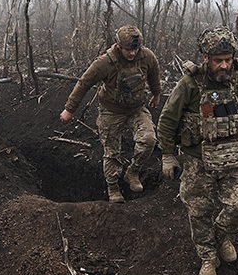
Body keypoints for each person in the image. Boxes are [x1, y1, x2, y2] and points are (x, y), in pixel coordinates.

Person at [156, 27, 238, 275]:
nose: (224, 65)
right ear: (206, 57)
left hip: (234, 158)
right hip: (198, 160)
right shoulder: (190, 85)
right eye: (218, 60)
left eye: (228, 59)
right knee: (199, 210)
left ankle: (221, 234)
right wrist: (168, 155)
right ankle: (207, 256)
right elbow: (167, 119)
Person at [59, 25, 162, 203]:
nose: (132, 54)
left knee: (149, 139)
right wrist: (70, 109)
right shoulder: (105, 62)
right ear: (119, 45)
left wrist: (156, 93)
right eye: (128, 49)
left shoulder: (147, 57)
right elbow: (84, 83)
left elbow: (154, 73)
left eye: (135, 49)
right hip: (111, 111)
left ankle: (133, 171)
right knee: (112, 152)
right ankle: (113, 187)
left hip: (137, 109)